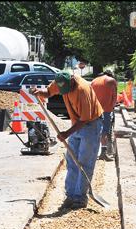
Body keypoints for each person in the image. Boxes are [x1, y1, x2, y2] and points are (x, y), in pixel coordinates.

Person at [31, 71, 104, 210]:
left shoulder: (82, 89)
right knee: (72, 160)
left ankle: (80, 198)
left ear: (71, 81)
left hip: (90, 124)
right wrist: (39, 92)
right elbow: (48, 92)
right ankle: (71, 195)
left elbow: (85, 119)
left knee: (84, 162)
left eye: (66, 89)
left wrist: (66, 133)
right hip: (77, 122)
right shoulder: (60, 81)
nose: (63, 92)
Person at [91, 69, 118, 161]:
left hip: (94, 110)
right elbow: (114, 97)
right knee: (105, 131)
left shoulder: (94, 81)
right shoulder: (111, 81)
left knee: (94, 130)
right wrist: (112, 107)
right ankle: (103, 153)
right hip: (106, 110)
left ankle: (92, 153)